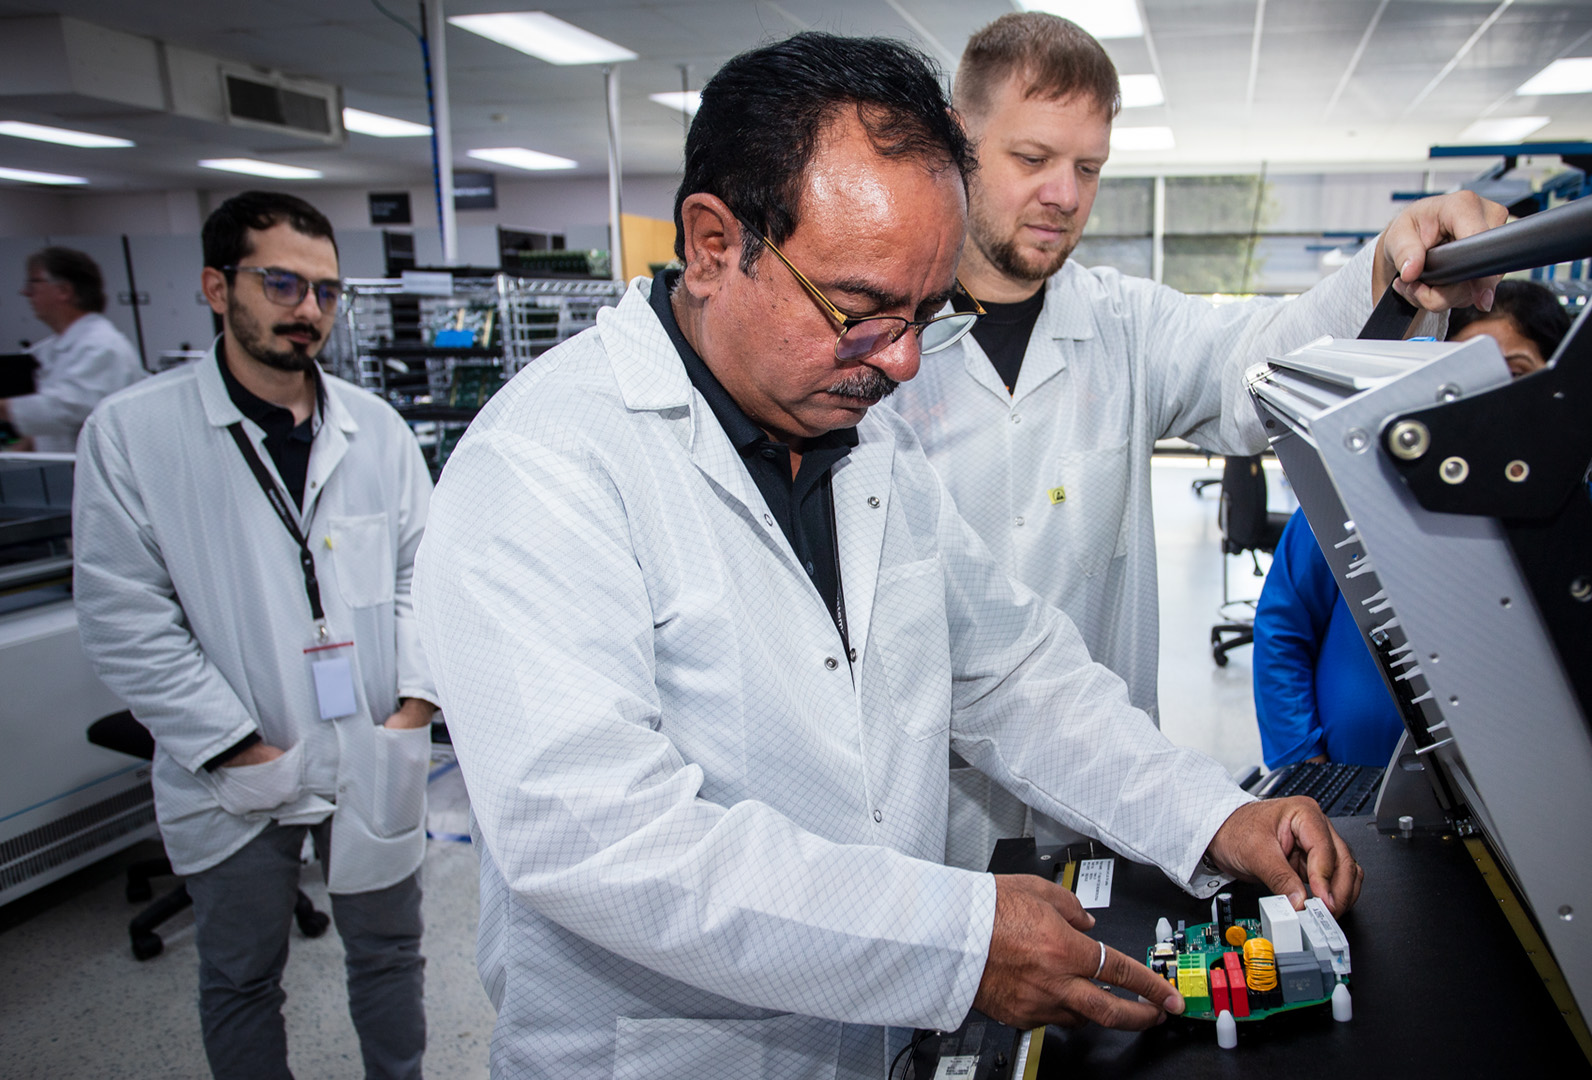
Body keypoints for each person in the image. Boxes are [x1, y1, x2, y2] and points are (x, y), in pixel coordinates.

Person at [415, 33, 1362, 1079]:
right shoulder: (545, 464)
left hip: (873, 1041)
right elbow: (602, 841)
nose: (905, 361)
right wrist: (957, 939)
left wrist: (1212, 813)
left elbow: (1011, 673)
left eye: (924, 313)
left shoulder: (865, 438)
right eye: (862, 311)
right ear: (714, 241)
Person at [883, 12, 1509, 869]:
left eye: (1089, 168)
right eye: (1032, 159)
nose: (1064, 194)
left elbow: (1261, 361)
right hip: (931, 815)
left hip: (1104, 802)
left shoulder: (1122, 325)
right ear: (961, 141)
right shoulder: (878, 345)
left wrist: (1386, 270)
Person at [72, 192, 438, 1080]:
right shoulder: (134, 434)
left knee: (390, 956)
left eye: (324, 291)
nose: (306, 309)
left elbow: (425, 578)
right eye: (281, 283)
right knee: (241, 975)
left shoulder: (376, 430)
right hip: (235, 762)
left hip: (371, 743)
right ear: (215, 285)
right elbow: (126, 614)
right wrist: (237, 748)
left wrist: (413, 707)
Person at [1251, 279, 1572, 769]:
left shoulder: (1579, 522)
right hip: (1340, 789)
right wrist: (1302, 762)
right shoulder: (1355, 488)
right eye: (1466, 378)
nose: (1490, 400)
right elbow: (1284, 627)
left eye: (1514, 372)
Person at [1, 247, 143, 452]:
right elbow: (54, 425)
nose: (26, 293)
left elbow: (66, 408)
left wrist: (4, 408)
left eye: (34, 283)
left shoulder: (102, 346)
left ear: (64, 291)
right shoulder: (55, 348)